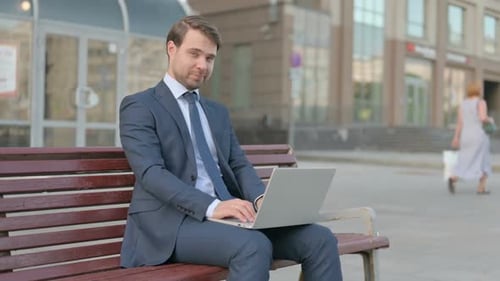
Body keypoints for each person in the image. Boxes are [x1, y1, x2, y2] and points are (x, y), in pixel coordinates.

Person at [119, 15, 343, 281]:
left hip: (228, 220)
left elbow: (238, 164)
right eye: (195, 54)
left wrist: (261, 200)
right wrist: (213, 206)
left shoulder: (216, 112)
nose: (202, 65)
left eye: (210, 58)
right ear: (171, 49)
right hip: (170, 227)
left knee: (320, 239)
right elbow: (151, 174)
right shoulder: (140, 106)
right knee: (252, 246)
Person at [449, 81, 493, 195]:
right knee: (483, 161)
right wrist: (490, 120)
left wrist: (456, 138)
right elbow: (482, 118)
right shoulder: (481, 102)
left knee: (465, 159)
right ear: (478, 91)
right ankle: (481, 188)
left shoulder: (463, 104)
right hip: (478, 136)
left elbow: (459, 123)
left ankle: (454, 177)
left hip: (466, 136)